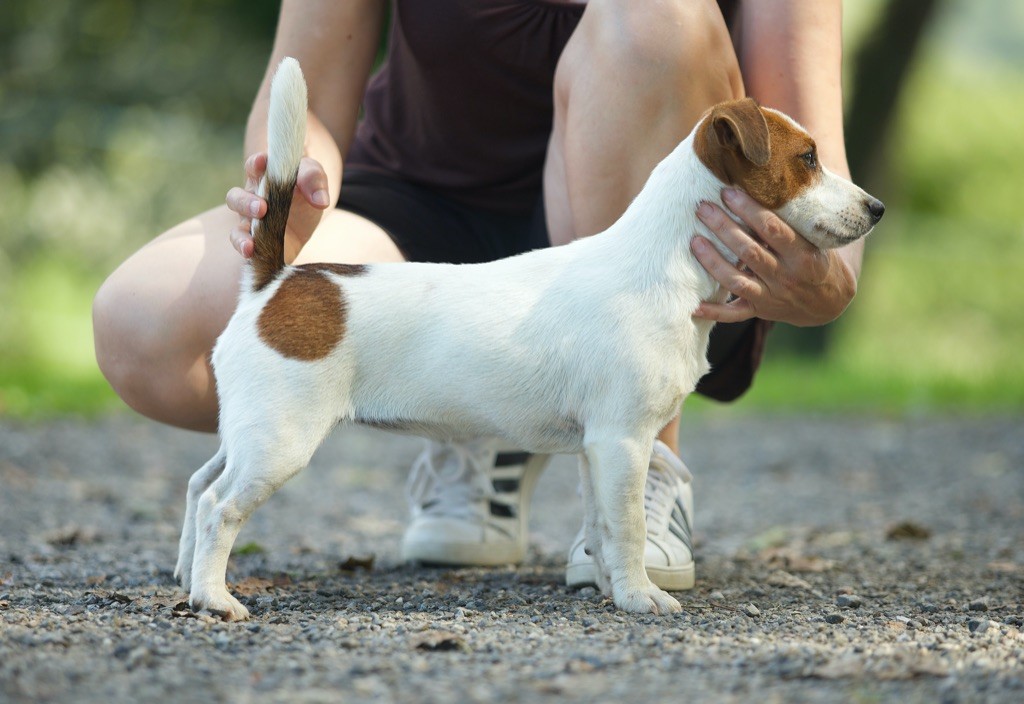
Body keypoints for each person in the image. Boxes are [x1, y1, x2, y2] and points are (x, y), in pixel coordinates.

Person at [93, 0, 862, 591]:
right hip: (423, 210)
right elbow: (307, 95)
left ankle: (641, 474)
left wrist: (824, 282)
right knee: (145, 325)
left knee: (656, 18)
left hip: (655, 262)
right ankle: (484, 426)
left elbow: (810, 153)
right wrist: (290, 184)